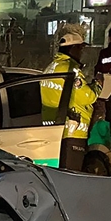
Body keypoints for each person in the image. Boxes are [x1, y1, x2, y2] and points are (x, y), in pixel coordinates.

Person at [41, 25, 98, 171]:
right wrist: (98, 84)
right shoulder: (71, 70)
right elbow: (87, 97)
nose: (81, 52)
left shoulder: (50, 67)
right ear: (73, 49)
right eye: (80, 49)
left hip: (51, 128)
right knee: (71, 175)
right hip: (73, 131)